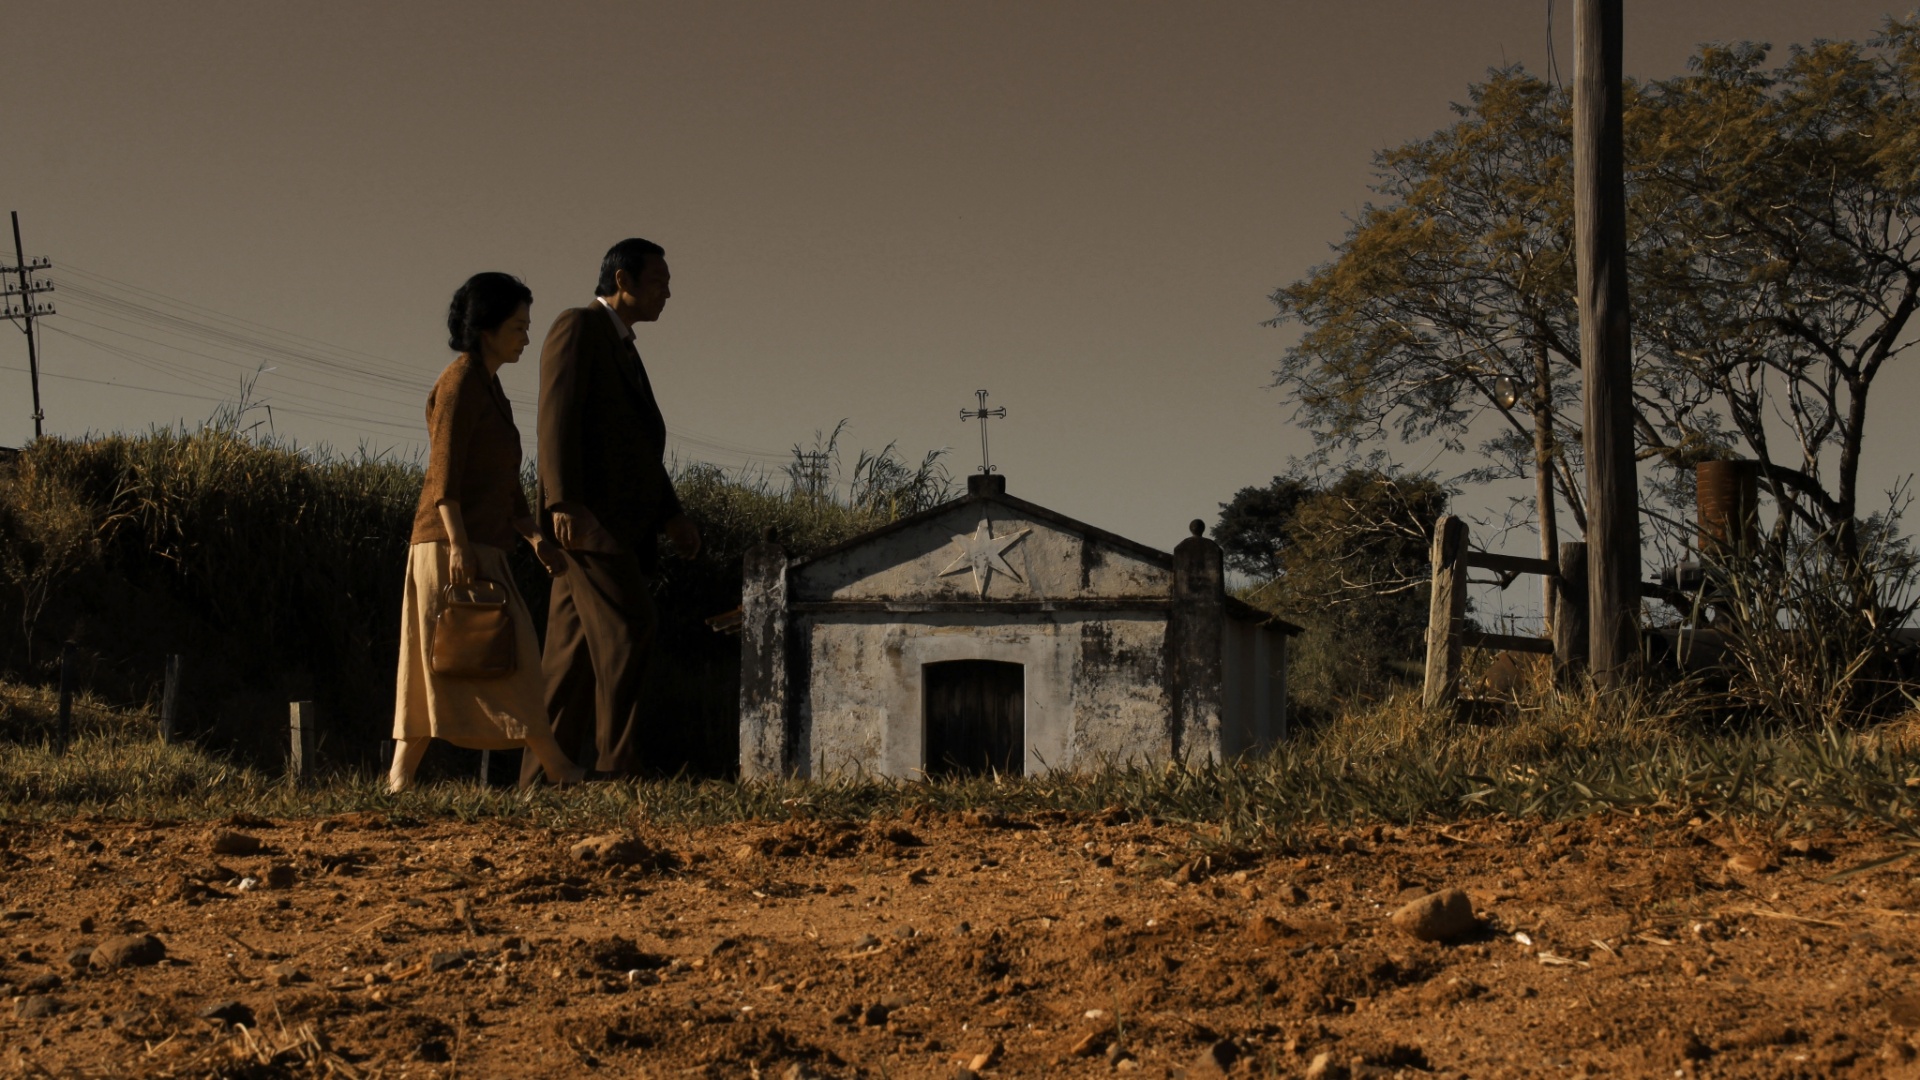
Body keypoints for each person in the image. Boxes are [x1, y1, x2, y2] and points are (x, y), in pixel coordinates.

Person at [390, 272, 585, 793]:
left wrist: (533, 535)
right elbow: (444, 472)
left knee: (449, 662)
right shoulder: (459, 382)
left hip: (478, 544)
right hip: (449, 543)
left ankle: (399, 778)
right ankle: (559, 767)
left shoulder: (489, 386)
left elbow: (503, 486)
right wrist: (457, 544)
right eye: (517, 327)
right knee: (482, 656)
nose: (525, 336)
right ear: (487, 329)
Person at [522, 238, 701, 785]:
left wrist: (671, 515)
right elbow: (555, 418)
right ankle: (616, 766)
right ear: (621, 280)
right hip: (589, 521)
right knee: (630, 625)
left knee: (569, 661)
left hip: (617, 523)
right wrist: (562, 504)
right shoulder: (578, 326)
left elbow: (636, 447)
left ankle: (541, 782)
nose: (667, 293)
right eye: (658, 282)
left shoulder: (624, 346)